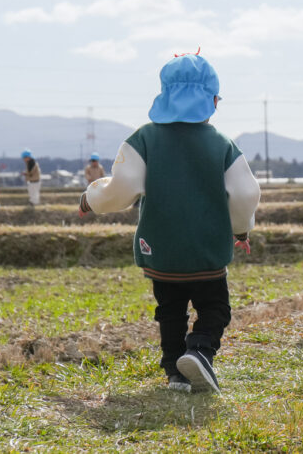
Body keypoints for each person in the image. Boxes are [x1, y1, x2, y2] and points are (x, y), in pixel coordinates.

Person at [79, 53, 260, 393]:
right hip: (206, 250)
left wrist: (91, 198)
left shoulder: (144, 139)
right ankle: (200, 350)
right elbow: (246, 193)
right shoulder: (222, 144)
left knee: (170, 311)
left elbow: (123, 187)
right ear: (213, 101)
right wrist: (241, 229)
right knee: (215, 308)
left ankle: (175, 372)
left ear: (164, 95)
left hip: (160, 250)